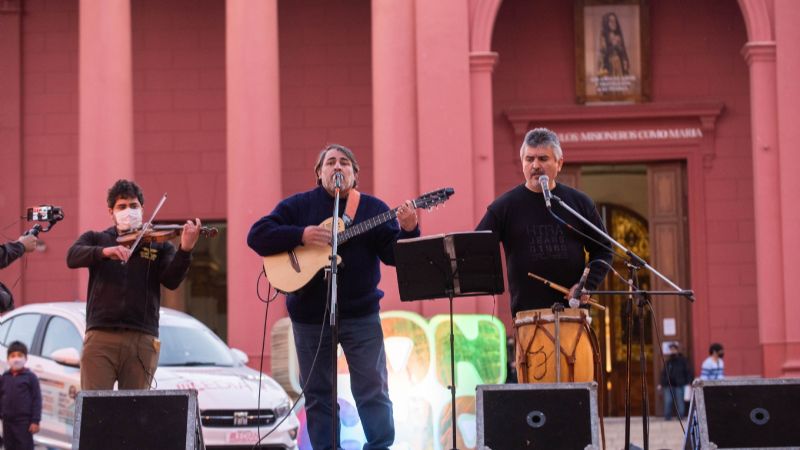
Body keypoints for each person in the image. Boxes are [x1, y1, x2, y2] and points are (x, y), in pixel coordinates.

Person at [247, 144, 419, 450]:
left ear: (354, 174)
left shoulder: (373, 209)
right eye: (330, 163)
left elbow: (396, 257)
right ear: (319, 173)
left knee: (372, 387)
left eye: (344, 163)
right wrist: (301, 235)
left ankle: (380, 445)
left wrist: (409, 230)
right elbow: (257, 235)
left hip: (361, 315)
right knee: (318, 392)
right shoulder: (298, 206)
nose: (337, 168)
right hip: (310, 317)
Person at [66, 179, 201, 390]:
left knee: (136, 412)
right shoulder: (98, 238)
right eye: (122, 206)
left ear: (142, 209)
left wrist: (185, 250)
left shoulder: (159, 246)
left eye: (133, 206)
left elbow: (171, 281)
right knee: (95, 409)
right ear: (111, 211)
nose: (128, 211)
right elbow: (72, 257)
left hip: (142, 338)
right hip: (101, 336)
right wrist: (104, 252)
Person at [477, 128, 613, 317]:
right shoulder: (504, 207)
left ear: (559, 163)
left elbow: (604, 249)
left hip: (572, 313)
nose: (535, 165)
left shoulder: (578, 203)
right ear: (522, 163)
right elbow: (476, 247)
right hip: (528, 316)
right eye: (529, 159)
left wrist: (586, 285)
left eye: (543, 159)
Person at [0, 341, 42, 450]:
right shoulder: (4, 377)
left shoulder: (30, 378)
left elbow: (36, 400)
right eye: (13, 356)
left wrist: (35, 421)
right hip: (7, 422)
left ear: (26, 358)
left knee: (24, 446)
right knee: (9, 446)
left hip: (24, 422)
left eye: (20, 355)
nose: (16, 359)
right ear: (8, 358)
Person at [658, 342, 692, 420]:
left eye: (674, 349)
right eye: (671, 350)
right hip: (668, 384)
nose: (672, 351)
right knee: (668, 401)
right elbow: (664, 373)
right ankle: (667, 417)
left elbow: (687, 371)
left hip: (680, 384)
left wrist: (689, 382)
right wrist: (661, 383)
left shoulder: (683, 360)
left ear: (677, 350)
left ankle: (680, 416)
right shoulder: (668, 361)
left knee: (680, 401)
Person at [598, 12, 630, 77]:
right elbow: (603, 52)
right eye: (611, 21)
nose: (613, 23)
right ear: (607, 23)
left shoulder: (618, 36)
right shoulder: (603, 36)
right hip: (609, 64)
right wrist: (614, 45)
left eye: (615, 21)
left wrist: (625, 61)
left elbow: (623, 51)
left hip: (619, 64)